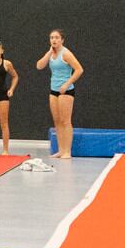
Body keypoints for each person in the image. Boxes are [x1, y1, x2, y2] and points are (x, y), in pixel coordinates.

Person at [37, 30, 83, 160]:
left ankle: (67, 151)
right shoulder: (51, 54)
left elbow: (79, 69)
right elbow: (39, 66)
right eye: (51, 37)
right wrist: (48, 53)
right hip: (54, 90)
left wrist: (67, 83)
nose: (54, 40)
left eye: (57, 37)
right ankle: (61, 150)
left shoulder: (66, 53)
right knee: (57, 121)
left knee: (65, 121)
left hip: (66, 91)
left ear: (62, 40)